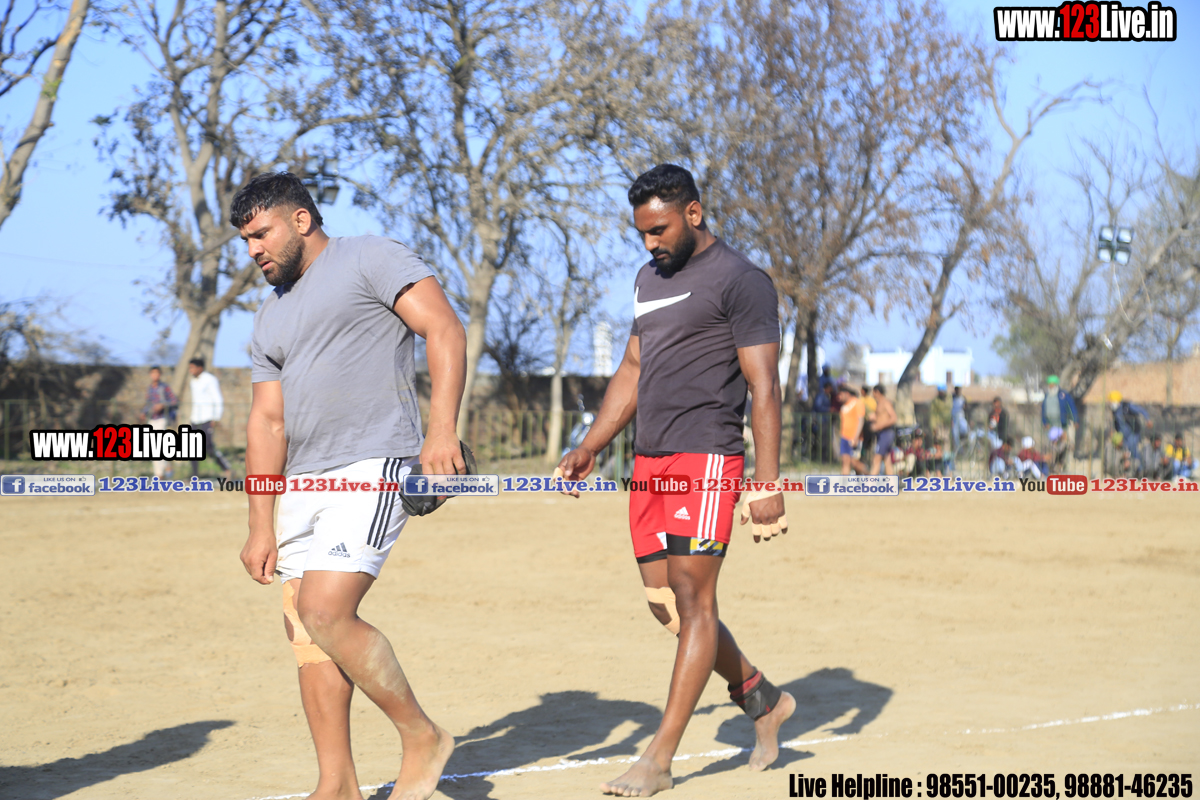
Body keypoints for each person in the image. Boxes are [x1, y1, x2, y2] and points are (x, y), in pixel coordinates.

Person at [556, 164, 794, 797]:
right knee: (667, 605)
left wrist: (766, 482)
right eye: (641, 232)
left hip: (706, 458)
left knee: (695, 603)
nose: (650, 243)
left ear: (693, 212)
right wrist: (590, 445)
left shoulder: (742, 280)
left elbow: (764, 386)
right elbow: (633, 368)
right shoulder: (647, 279)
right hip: (648, 463)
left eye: (658, 229)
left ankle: (658, 759)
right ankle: (763, 700)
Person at [233, 172, 466, 800]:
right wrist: (259, 524)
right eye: (246, 240)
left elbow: (444, 328)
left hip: (373, 465)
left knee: (325, 611)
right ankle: (337, 785)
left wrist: (441, 432)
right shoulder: (270, 314)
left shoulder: (370, 257)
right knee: (306, 634)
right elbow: (268, 421)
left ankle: (422, 735)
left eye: (261, 234)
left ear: (301, 220)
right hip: (301, 484)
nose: (253, 250)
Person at [187, 357, 233, 479]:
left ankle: (226, 469)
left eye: (192, 367)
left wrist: (216, 417)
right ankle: (194, 476)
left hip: (207, 418)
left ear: (200, 368)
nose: (190, 370)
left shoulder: (210, 379)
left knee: (208, 447)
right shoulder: (193, 382)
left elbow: (218, 399)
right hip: (195, 418)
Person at [139, 365, 177, 479]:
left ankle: (160, 473)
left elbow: (174, 400)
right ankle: (162, 470)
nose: (155, 375)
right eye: (153, 373)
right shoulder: (150, 388)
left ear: (160, 375)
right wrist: (143, 412)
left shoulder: (164, 387)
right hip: (152, 418)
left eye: (157, 373)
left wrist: (162, 405)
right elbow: (148, 403)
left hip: (162, 418)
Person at [1041, 376, 1079, 471]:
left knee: (1066, 445)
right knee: (1053, 446)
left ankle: (1066, 465)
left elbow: (1071, 407)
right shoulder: (1047, 396)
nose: (1051, 386)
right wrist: (1045, 422)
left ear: (1056, 384)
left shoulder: (1063, 395)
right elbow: (1043, 410)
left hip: (1063, 424)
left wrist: (1075, 420)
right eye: (1050, 384)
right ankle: (1053, 466)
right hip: (1052, 426)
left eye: (1052, 384)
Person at [1110, 391, 1151, 472]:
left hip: (1133, 433)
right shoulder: (1115, 411)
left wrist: (1147, 419)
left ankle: (1140, 469)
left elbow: (1140, 410)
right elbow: (1117, 422)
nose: (1111, 404)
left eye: (1112, 402)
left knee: (1132, 449)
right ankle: (1129, 471)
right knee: (1126, 452)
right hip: (1123, 435)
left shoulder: (1127, 406)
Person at [838, 384, 867, 475]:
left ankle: (871, 476)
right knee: (845, 461)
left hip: (854, 437)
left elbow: (861, 420)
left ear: (847, 393)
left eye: (841, 394)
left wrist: (856, 437)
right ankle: (844, 483)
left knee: (854, 462)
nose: (839, 397)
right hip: (844, 437)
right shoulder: (844, 406)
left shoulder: (857, 403)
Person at [869, 385, 897, 476]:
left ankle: (870, 483)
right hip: (881, 434)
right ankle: (892, 483)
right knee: (887, 460)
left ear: (877, 392)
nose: (873, 395)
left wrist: (879, 426)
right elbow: (883, 417)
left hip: (886, 433)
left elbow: (893, 418)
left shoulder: (885, 402)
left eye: (873, 392)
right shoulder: (879, 403)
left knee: (876, 459)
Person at [929, 385, 951, 459]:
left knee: (947, 444)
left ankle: (947, 460)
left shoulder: (949, 399)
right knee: (939, 444)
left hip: (946, 425)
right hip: (938, 426)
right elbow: (932, 415)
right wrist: (933, 427)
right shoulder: (935, 401)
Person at [951, 386, 968, 453]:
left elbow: (966, 407)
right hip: (954, 418)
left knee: (966, 430)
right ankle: (959, 450)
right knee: (955, 434)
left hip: (961, 418)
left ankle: (965, 445)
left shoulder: (963, 398)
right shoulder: (952, 398)